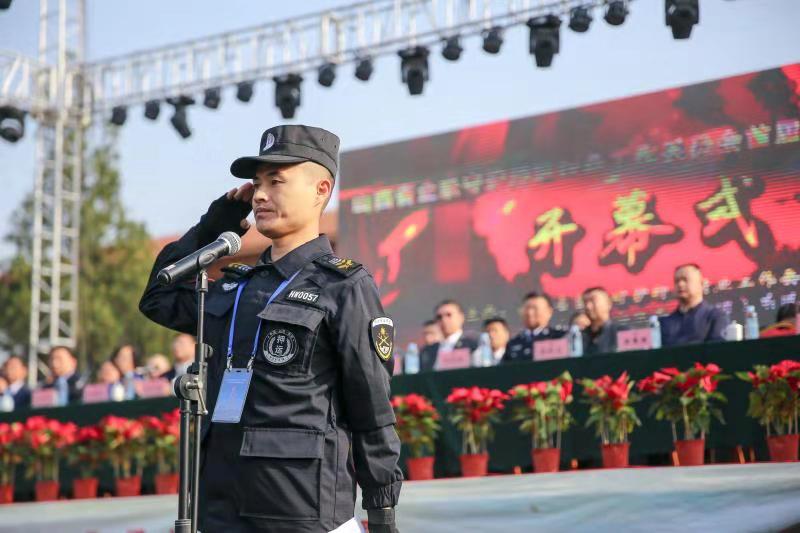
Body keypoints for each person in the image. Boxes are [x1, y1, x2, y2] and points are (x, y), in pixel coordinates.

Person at [139, 125, 401, 533]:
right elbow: (159, 297)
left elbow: (372, 408)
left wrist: (382, 512)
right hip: (221, 507)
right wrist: (211, 228)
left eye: (276, 182)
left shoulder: (344, 286)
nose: (260, 195)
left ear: (321, 190)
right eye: (257, 183)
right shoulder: (235, 285)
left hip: (300, 508)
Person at [659, 264, 728, 347]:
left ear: (701, 284)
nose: (680, 284)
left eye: (685, 280)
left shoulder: (716, 316)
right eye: (677, 281)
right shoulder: (665, 322)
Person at [503, 292, 566, 364]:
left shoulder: (559, 338)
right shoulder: (513, 343)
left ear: (549, 312)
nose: (530, 313)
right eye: (527, 308)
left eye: (535, 308)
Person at [419, 300, 479, 372]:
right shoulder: (428, 351)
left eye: (448, 315)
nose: (444, 320)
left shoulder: (473, 345)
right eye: (439, 317)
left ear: (461, 317)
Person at [581, 287, 623, 356]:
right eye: (585, 302)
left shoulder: (622, 333)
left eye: (593, 301)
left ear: (608, 304)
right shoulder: (579, 337)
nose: (588, 306)